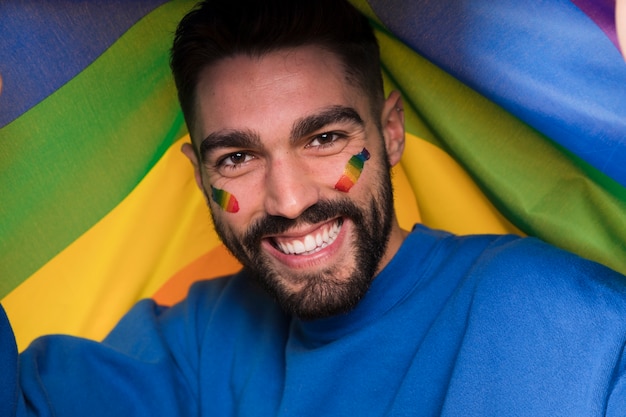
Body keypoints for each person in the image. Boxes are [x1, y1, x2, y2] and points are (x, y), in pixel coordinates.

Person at [2, 0, 626, 415]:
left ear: (391, 133)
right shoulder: (197, 342)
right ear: (198, 175)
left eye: (325, 140)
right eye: (237, 159)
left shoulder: (581, 324)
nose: (291, 199)